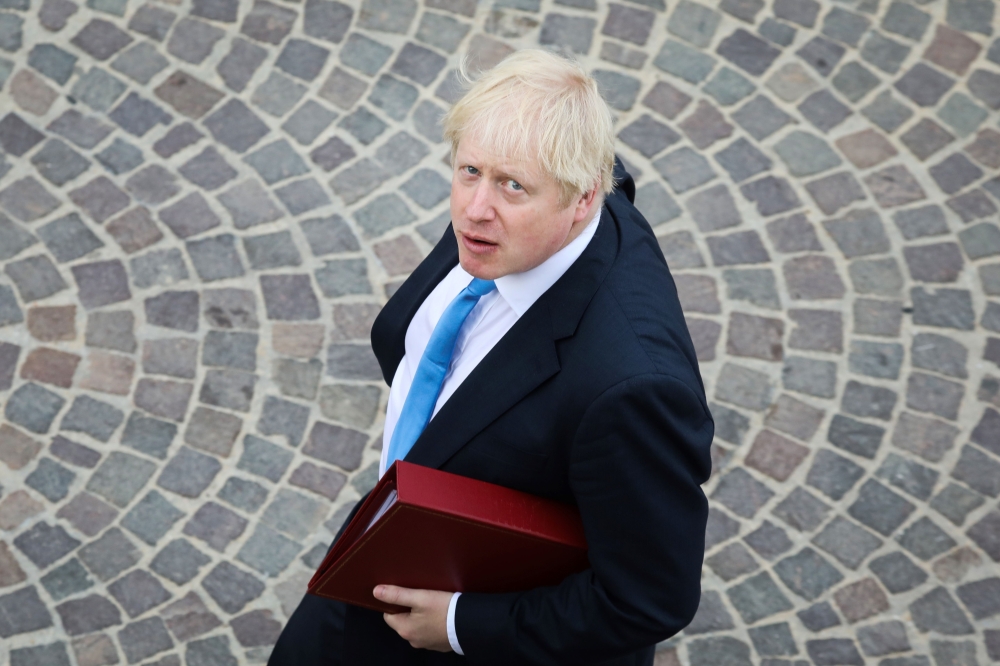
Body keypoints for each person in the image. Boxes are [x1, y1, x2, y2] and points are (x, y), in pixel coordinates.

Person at [269, 48, 713, 666]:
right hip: (387, 561)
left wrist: (456, 624)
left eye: (512, 185)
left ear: (584, 199)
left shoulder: (632, 390)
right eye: (469, 169)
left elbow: (648, 599)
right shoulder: (507, 230)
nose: (475, 209)